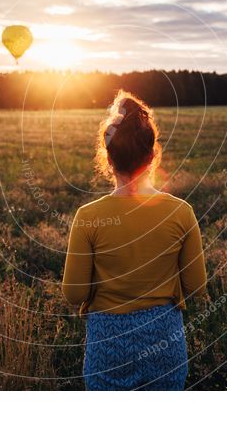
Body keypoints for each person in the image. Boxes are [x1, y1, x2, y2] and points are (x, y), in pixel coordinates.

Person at [61, 90, 208, 390]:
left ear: (108, 157)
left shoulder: (88, 217)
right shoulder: (181, 213)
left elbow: (74, 294)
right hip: (164, 338)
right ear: (153, 155)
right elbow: (197, 287)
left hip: (107, 341)